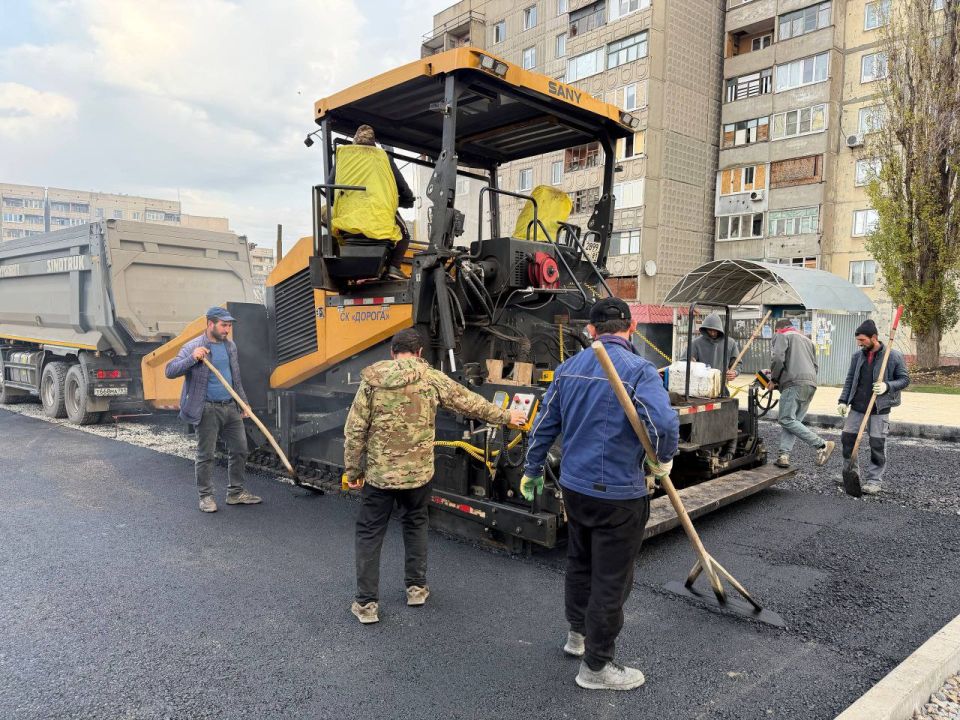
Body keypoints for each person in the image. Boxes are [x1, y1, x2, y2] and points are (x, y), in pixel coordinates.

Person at [520, 297, 679, 691]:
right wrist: (663, 460)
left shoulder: (567, 369)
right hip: (619, 494)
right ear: (632, 329)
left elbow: (543, 425)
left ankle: (578, 636)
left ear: (591, 331)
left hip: (574, 487)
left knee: (580, 562)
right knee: (611, 577)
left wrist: (532, 468)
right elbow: (661, 423)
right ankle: (596, 667)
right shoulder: (641, 370)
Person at [344, 328, 525, 625]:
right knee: (415, 525)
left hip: (380, 477)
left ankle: (366, 605)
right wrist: (506, 417)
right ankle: (415, 588)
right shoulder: (431, 378)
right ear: (419, 353)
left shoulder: (372, 381)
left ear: (393, 353)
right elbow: (469, 402)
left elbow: (354, 430)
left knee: (369, 535)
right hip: (418, 476)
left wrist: (353, 471)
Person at [165, 307, 261, 513]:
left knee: (240, 449)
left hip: (230, 406)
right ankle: (206, 497)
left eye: (229, 325)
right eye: (224, 325)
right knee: (206, 454)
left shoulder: (230, 347)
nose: (228, 329)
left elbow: (235, 378)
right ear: (210, 324)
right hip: (207, 409)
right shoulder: (194, 346)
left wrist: (243, 403)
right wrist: (192, 358)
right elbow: (170, 371)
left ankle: (235, 493)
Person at [330, 124, 415, 280]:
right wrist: (406, 201)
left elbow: (329, 191)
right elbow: (404, 189)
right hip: (377, 215)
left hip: (347, 220)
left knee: (326, 219)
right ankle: (393, 267)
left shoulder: (343, 158)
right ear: (373, 142)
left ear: (355, 142)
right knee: (405, 233)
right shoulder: (383, 158)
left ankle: (337, 261)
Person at [837, 318, 910, 495]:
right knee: (848, 440)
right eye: (858, 340)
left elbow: (905, 379)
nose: (859, 344)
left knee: (877, 444)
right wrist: (843, 400)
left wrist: (887, 386)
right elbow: (850, 380)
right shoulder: (858, 356)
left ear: (874, 337)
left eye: (862, 340)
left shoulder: (892, 356)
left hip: (880, 408)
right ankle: (850, 472)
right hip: (857, 406)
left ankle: (874, 481)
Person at [770, 318, 835, 469]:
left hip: (793, 383)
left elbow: (778, 359)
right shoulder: (808, 341)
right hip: (810, 384)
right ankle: (783, 456)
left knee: (786, 419)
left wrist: (774, 379)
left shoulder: (782, 336)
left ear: (778, 329)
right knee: (793, 422)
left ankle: (822, 444)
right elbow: (815, 366)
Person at [681, 313, 741, 382]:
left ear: (720, 329)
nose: (712, 333)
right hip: (700, 383)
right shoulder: (696, 343)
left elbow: (737, 363)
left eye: (715, 330)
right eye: (710, 330)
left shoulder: (730, 343)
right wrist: (691, 363)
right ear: (705, 329)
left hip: (721, 385)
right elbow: (683, 361)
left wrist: (734, 373)